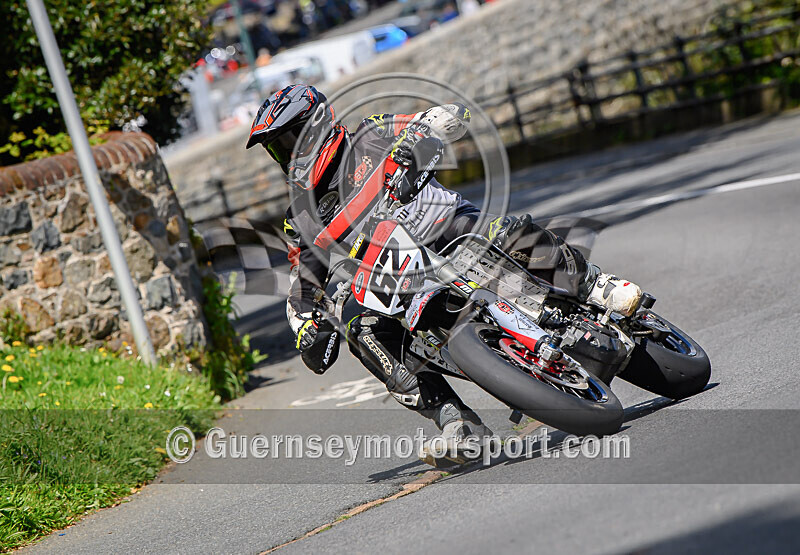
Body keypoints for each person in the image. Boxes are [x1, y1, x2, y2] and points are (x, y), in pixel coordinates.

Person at [245, 85, 642, 466]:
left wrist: (417, 147)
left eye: (290, 138)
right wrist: (306, 329)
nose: (285, 152)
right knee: (359, 327)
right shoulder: (301, 216)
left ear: (318, 125)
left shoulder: (372, 131)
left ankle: (595, 286)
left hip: (445, 223)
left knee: (505, 230)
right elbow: (301, 284)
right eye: (276, 147)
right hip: (389, 273)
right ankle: (456, 422)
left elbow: (448, 117)